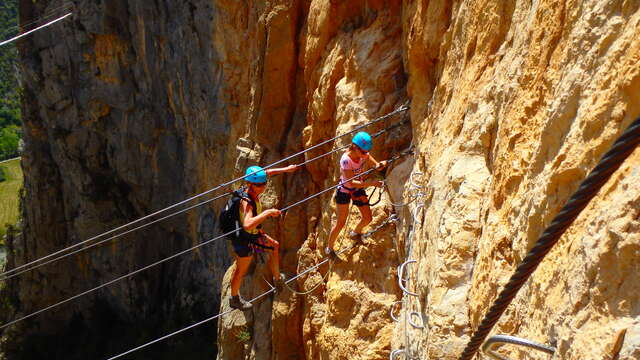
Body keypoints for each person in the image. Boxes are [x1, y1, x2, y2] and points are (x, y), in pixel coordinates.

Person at [229, 164, 299, 310]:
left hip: (252, 234)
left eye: (263, 183)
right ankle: (234, 298)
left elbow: (268, 172)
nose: (262, 187)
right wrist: (267, 213)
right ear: (249, 184)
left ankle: (277, 279)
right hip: (245, 238)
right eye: (258, 185)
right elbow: (248, 224)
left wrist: (287, 169)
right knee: (240, 270)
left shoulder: (253, 184)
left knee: (274, 245)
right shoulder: (247, 202)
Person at [325, 131, 387, 260]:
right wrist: (373, 183)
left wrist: (378, 165)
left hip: (357, 188)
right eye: (363, 152)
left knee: (368, 218)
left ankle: (355, 233)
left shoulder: (363, 153)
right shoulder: (346, 160)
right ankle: (329, 249)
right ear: (355, 147)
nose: (365, 154)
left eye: (366, 152)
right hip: (345, 190)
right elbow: (351, 182)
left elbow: (370, 159)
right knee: (340, 223)